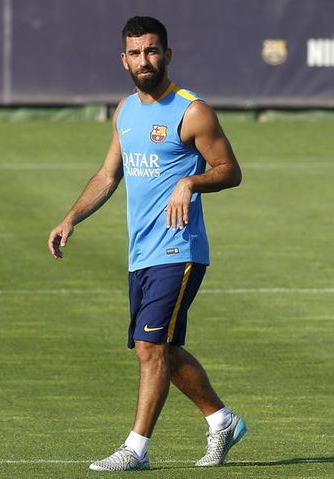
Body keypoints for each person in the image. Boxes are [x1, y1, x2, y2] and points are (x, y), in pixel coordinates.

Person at [47, 16, 246, 471]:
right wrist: (70, 218)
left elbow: (230, 170)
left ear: (167, 55)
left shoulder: (192, 110)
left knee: (151, 348)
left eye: (152, 51)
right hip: (141, 252)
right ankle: (222, 421)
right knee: (157, 348)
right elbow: (107, 175)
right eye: (135, 53)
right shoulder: (125, 111)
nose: (145, 60)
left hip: (180, 248)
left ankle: (136, 449)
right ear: (124, 59)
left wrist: (191, 183)